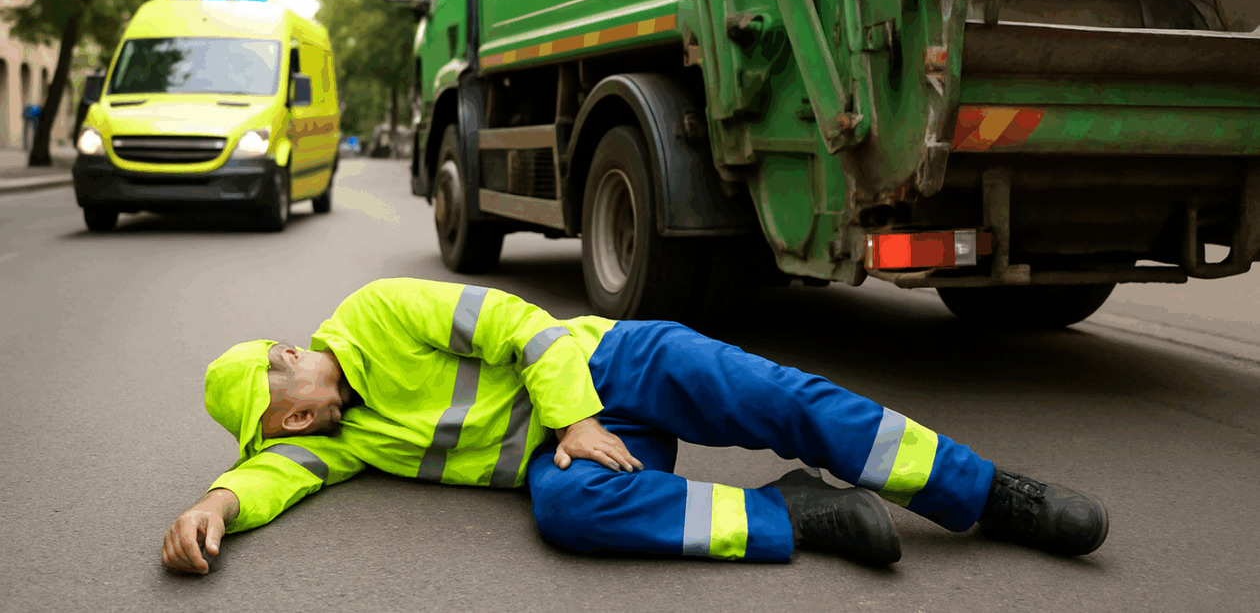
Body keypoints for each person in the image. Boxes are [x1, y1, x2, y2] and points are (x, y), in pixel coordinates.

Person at [161, 278, 1108, 574]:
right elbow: (283, 478)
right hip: (576, 445)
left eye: (276, 417)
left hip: (612, 362)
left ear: (287, 368)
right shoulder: (333, 442)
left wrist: (571, 418)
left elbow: (522, 327)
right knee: (570, 518)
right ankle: (800, 518)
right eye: (274, 433)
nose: (286, 434)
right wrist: (217, 500)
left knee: (785, 401)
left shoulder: (373, 311)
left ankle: (985, 493)